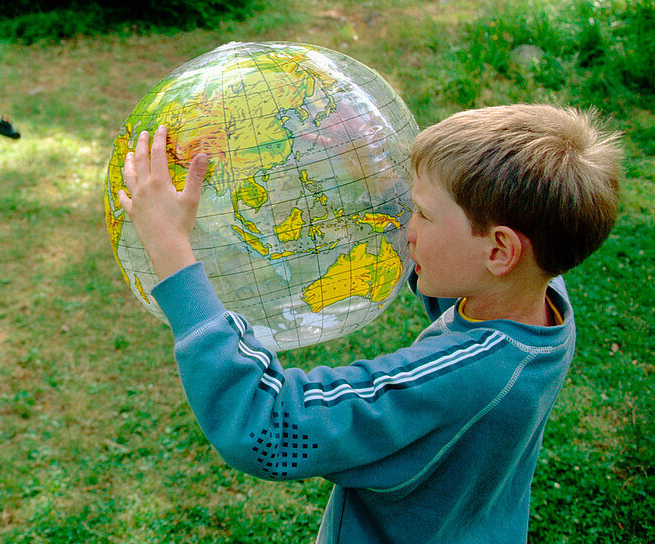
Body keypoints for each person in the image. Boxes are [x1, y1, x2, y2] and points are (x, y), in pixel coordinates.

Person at [118, 103, 622, 543]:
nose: (407, 228)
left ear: (499, 250)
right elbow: (467, 286)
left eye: (422, 214)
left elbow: (267, 424)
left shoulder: (458, 379)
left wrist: (169, 246)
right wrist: (377, 176)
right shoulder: (542, 304)